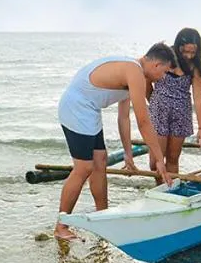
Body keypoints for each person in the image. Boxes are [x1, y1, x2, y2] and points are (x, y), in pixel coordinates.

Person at [54, 44, 176, 240]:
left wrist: (128, 154)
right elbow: (143, 121)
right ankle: (61, 226)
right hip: (76, 108)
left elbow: (124, 118)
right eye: (164, 72)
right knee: (84, 167)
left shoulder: (135, 72)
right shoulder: (134, 70)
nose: (162, 78)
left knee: (100, 161)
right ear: (156, 64)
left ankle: (103, 216)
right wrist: (160, 159)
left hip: (89, 110)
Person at [147, 28, 201, 180]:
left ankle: (169, 191)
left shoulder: (194, 67)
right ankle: (159, 188)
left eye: (193, 52)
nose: (189, 56)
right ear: (178, 46)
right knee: (155, 161)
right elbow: (146, 80)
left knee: (172, 158)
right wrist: (155, 101)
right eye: (186, 52)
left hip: (181, 114)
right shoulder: (164, 57)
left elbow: (199, 96)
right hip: (159, 112)